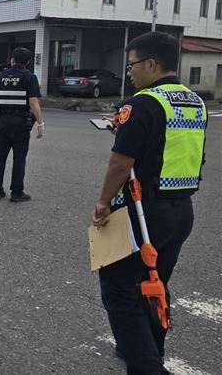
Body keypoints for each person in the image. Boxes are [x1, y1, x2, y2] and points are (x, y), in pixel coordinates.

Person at [92, 31, 207, 374]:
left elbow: (121, 163)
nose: (129, 72)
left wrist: (102, 202)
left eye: (132, 65)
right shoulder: (193, 101)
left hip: (144, 213)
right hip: (180, 211)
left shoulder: (142, 103)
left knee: (120, 291)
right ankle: (147, 351)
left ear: (152, 64)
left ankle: (145, 365)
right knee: (154, 287)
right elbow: (167, 145)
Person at [0, 47, 44, 202]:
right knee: (19, 158)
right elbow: (33, 102)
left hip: (2, 122)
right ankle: (17, 193)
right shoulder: (30, 77)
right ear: (28, 62)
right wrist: (40, 123)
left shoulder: (1, 76)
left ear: (12, 60)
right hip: (20, 123)